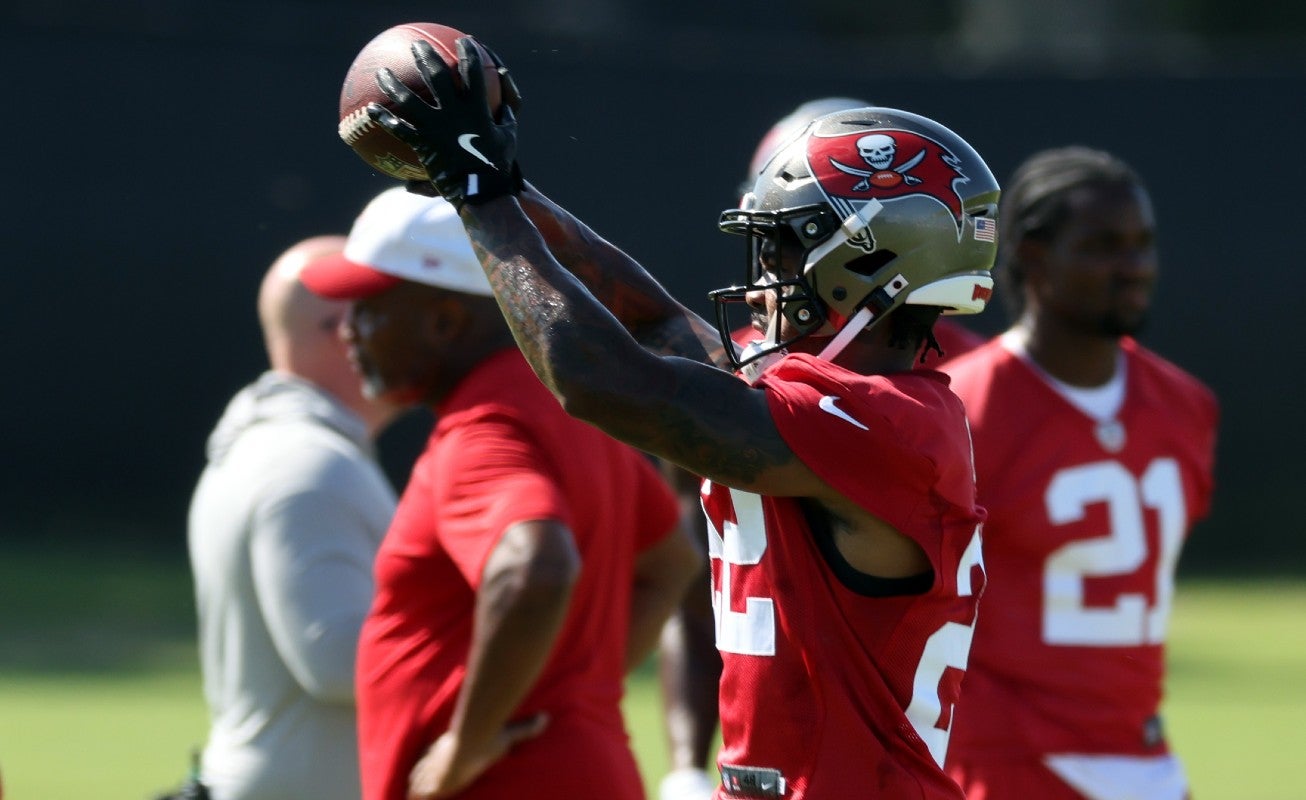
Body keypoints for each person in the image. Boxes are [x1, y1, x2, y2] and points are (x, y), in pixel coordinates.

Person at [363, 38, 997, 798]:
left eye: (783, 247)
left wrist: (477, 195)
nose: (762, 276)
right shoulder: (832, 402)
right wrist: (501, 181)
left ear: (866, 260)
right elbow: (656, 322)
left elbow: (604, 381)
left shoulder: (892, 423)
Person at [298, 186, 698, 800]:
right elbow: (671, 563)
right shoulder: (567, 408)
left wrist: (467, 740)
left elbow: (534, 564)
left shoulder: (484, 429)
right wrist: (570, 690)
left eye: (367, 306)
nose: (347, 331)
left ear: (443, 321)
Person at [939, 146, 1219, 799]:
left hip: (1145, 758)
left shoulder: (1187, 405)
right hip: (1007, 762)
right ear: (1033, 257)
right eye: (1104, 246)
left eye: (1143, 245)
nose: (1135, 267)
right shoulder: (962, 410)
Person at [187, 236, 402, 800]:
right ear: (349, 328)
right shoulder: (310, 463)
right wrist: (514, 629)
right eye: (403, 307)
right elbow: (337, 659)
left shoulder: (282, 449)